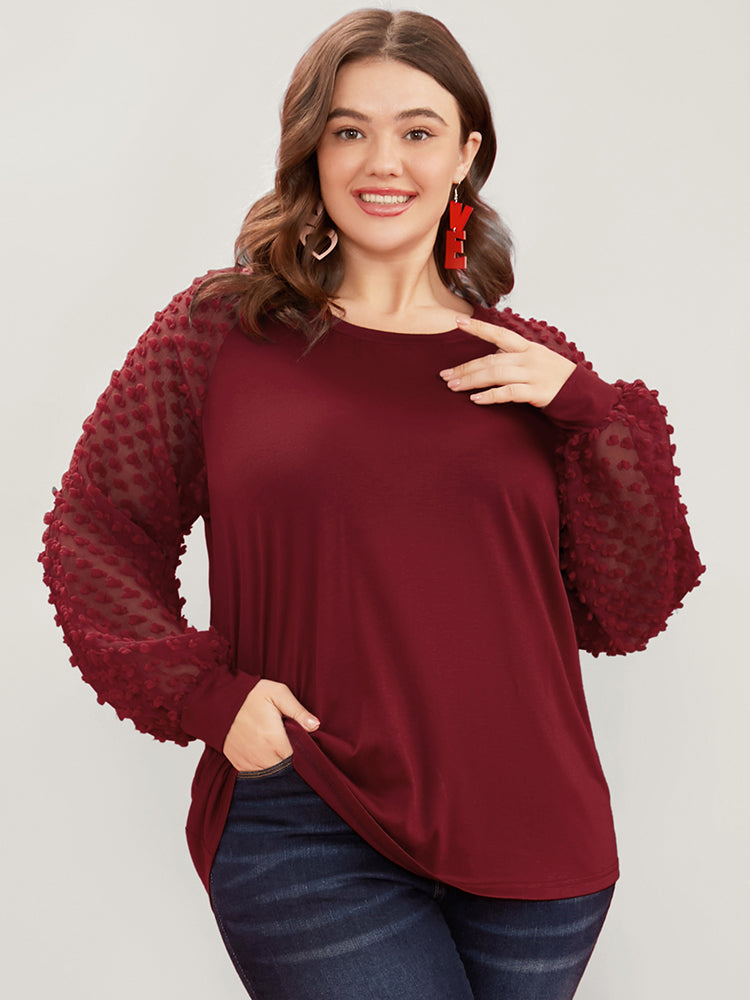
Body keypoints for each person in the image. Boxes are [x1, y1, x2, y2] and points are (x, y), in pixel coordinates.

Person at [40, 9, 704, 1000]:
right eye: (349, 129)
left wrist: (589, 412)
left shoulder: (527, 363)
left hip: (537, 836)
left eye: (417, 130)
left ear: (466, 154)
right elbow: (96, 528)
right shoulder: (220, 332)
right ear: (312, 147)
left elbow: (631, 607)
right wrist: (209, 698)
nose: (382, 161)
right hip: (306, 815)